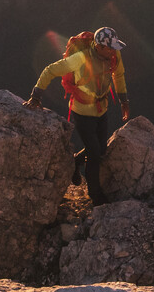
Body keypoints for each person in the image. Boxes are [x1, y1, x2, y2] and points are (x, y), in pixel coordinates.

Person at [25, 26, 131, 198]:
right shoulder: (81, 58)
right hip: (82, 113)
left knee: (101, 149)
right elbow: (50, 70)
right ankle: (96, 197)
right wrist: (36, 96)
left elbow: (118, 76)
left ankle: (75, 162)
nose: (114, 51)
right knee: (95, 153)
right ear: (99, 46)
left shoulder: (113, 55)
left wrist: (123, 100)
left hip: (101, 109)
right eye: (111, 47)